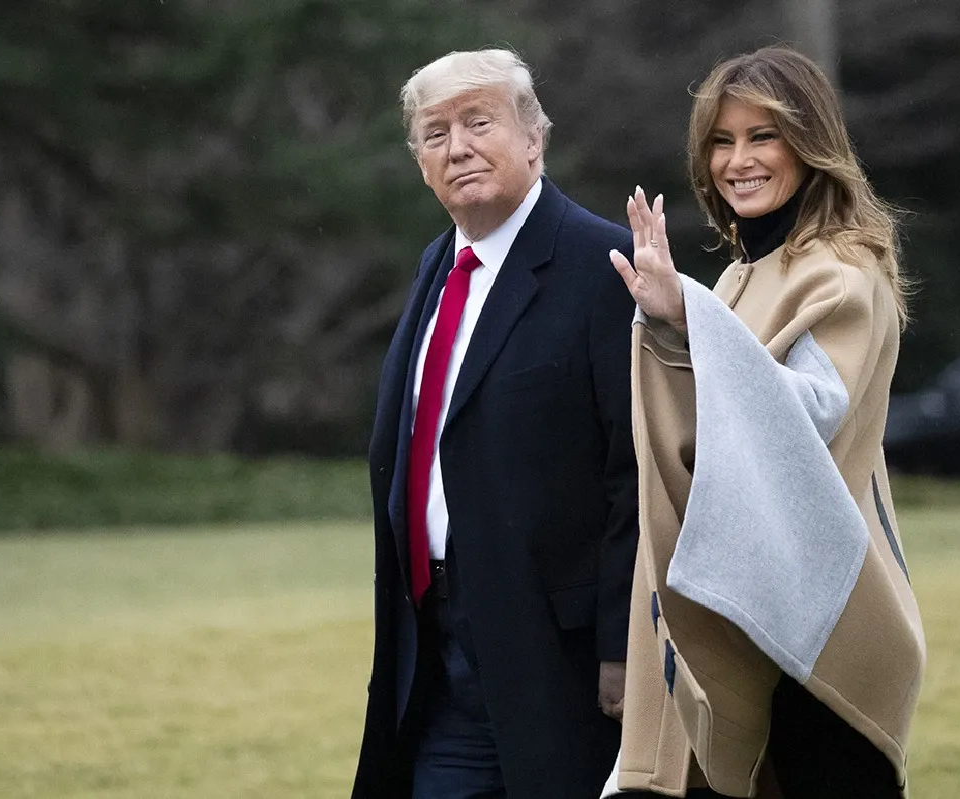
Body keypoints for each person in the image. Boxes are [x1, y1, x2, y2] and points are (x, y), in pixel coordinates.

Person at [602, 47, 926, 798]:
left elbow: (812, 412)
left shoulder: (841, 271)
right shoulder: (742, 273)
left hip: (823, 636)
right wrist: (679, 325)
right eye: (722, 140)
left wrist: (690, 319)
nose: (736, 160)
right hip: (752, 618)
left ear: (810, 145)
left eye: (762, 136)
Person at [351, 49, 640, 799]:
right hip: (435, 645)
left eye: (479, 122)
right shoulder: (437, 270)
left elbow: (636, 471)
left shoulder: (605, 264)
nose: (458, 148)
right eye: (434, 133)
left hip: (560, 659)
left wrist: (624, 643)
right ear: (419, 162)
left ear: (535, 137)